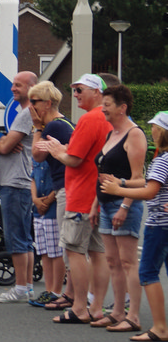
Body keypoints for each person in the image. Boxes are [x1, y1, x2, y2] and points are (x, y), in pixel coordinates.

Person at [39, 73, 112, 324]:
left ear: (97, 92)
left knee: (74, 250)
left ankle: (80, 307)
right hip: (99, 195)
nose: (76, 95)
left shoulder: (90, 119)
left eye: (80, 90)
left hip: (81, 194)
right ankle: (96, 307)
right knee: (98, 252)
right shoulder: (109, 119)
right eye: (75, 90)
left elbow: (75, 158)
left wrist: (58, 151)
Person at [100, 111, 168, 342]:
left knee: (147, 272)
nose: (152, 131)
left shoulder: (162, 160)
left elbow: (150, 191)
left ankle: (160, 328)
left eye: (155, 127)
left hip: (159, 224)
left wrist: (118, 189)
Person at [90, 84, 147, 332]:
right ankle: (117, 312)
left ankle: (133, 316)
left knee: (127, 261)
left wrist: (124, 204)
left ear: (122, 108)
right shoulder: (111, 134)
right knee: (112, 261)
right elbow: (102, 173)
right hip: (105, 204)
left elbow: (139, 179)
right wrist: (95, 204)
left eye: (107, 105)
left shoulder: (134, 134)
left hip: (123, 205)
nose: (103, 109)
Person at [0, 71, 40, 303]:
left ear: (32, 88)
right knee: (24, 237)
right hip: (22, 180)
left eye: (18, 85)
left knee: (15, 238)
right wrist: (5, 141)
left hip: (15, 181)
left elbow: (5, 147)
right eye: (13, 84)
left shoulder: (26, 114)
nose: (13, 88)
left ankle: (19, 287)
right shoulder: (29, 113)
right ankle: (26, 286)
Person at [27, 82, 71, 307]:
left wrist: (37, 127)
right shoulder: (62, 124)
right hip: (56, 190)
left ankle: (57, 291)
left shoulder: (53, 126)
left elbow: (37, 155)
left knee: (61, 248)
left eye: (34, 101)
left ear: (47, 103)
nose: (31, 106)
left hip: (61, 191)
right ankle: (53, 290)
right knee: (48, 247)